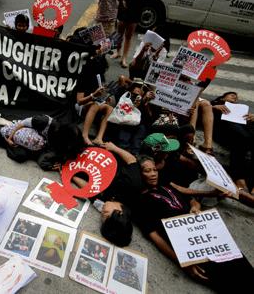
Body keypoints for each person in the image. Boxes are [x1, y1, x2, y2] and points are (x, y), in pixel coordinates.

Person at [135, 156, 254, 293]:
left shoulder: (167, 185)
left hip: (207, 236)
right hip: (189, 246)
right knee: (228, 282)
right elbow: (154, 235)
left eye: (154, 170)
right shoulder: (141, 201)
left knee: (241, 265)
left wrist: (195, 207)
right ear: (140, 174)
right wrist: (182, 262)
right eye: (147, 171)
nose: (153, 174)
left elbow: (191, 199)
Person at [73, 142, 141, 246]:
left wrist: (69, 175)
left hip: (89, 165)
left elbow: (89, 189)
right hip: (105, 154)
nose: (102, 211)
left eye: (102, 217)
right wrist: (114, 148)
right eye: (106, 213)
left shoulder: (104, 204)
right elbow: (131, 160)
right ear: (120, 212)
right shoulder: (133, 187)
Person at [0, 114, 84, 170]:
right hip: (27, 136)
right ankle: (6, 140)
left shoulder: (72, 135)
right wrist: (10, 138)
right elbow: (22, 123)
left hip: (43, 145)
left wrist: (62, 162)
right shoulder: (43, 121)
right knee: (20, 155)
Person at [211, 92, 254, 194]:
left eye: (236, 96)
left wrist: (252, 118)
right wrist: (213, 107)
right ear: (222, 97)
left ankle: (250, 183)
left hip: (243, 132)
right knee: (241, 139)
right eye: (231, 94)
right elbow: (199, 108)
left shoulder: (240, 110)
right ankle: (239, 179)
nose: (235, 96)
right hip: (225, 132)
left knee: (243, 139)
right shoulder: (214, 104)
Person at [111, 0, 144, 68]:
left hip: (136, 9)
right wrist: (121, 0)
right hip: (124, 8)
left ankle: (124, 57)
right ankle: (118, 51)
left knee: (129, 35)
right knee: (120, 33)